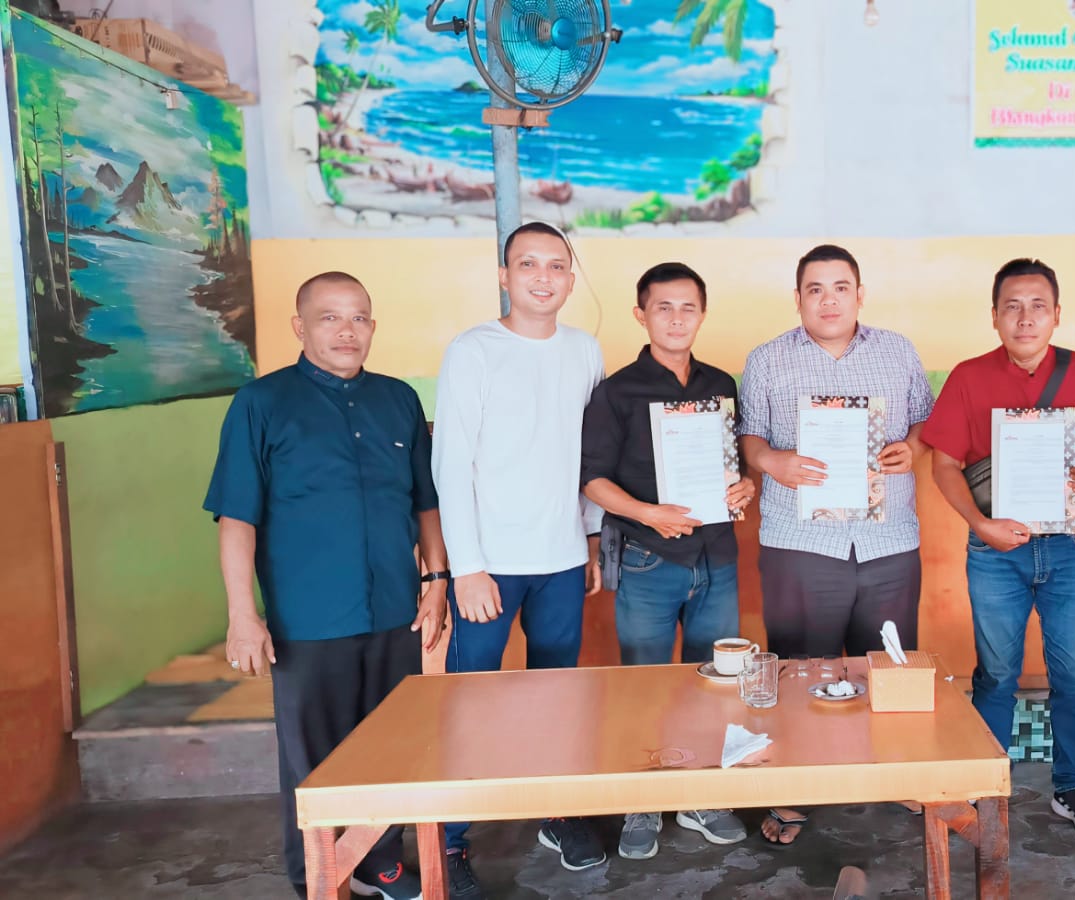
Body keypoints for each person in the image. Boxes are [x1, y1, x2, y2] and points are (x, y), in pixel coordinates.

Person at [204, 271, 447, 900]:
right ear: (300, 327)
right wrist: (242, 615)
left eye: (359, 317)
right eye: (330, 317)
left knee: (392, 744)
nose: (347, 331)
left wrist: (437, 578)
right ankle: (316, 876)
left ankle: (381, 864)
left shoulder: (398, 399)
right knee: (313, 759)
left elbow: (425, 502)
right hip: (308, 618)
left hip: (394, 609)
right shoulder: (261, 403)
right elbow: (236, 518)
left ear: (372, 326)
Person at [922, 258, 1075, 841]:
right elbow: (943, 462)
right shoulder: (968, 377)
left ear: (1056, 314)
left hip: (1069, 547)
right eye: (1012, 306)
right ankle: (985, 783)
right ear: (994, 316)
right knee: (995, 675)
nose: (1025, 318)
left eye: (1038, 305)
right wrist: (979, 524)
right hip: (996, 551)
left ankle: (1074, 786)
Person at [738, 243, 934, 845]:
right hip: (801, 540)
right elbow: (750, 437)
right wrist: (772, 461)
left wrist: (914, 447)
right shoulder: (767, 359)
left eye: (841, 287)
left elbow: (926, 420)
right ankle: (796, 792)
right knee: (800, 669)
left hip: (886, 539)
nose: (829, 300)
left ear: (859, 295)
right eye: (815, 289)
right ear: (798, 298)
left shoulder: (897, 352)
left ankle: (895, 774)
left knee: (889, 665)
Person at [431, 222, 606, 892]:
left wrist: (590, 538)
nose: (543, 277)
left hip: (561, 558)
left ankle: (557, 812)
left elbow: (590, 455)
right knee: (469, 701)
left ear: (570, 278)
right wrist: (467, 568)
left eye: (556, 265)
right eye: (528, 264)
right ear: (505, 276)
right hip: (490, 564)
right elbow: (451, 463)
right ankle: (450, 839)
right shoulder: (474, 350)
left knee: (556, 695)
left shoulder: (585, 349)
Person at [579, 262, 756, 859]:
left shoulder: (721, 384)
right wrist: (648, 513)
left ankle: (701, 795)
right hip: (650, 558)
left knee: (715, 681)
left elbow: (734, 466)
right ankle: (643, 802)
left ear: (702, 315)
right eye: (664, 308)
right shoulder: (617, 392)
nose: (677, 319)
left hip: (717, 556)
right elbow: (593, 480)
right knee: (645, 684)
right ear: (641, 315)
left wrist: (745, 486)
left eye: (688, 308)